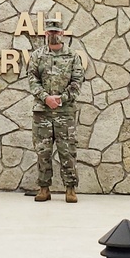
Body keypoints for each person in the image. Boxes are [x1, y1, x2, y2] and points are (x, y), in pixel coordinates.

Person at [27, 16, 84, 203]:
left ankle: (70, 188)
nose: (53, 35)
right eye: (50, 31)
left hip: (64, 112)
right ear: (45, 33)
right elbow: (32, 80)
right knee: (42, 151)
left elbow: (77, 81)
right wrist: (46, 98)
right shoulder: (37, 56)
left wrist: (62, 99)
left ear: (62, 33)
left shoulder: (72, 56)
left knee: (67, 151)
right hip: (42, 112)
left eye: (56, 31)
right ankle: (44, 188)